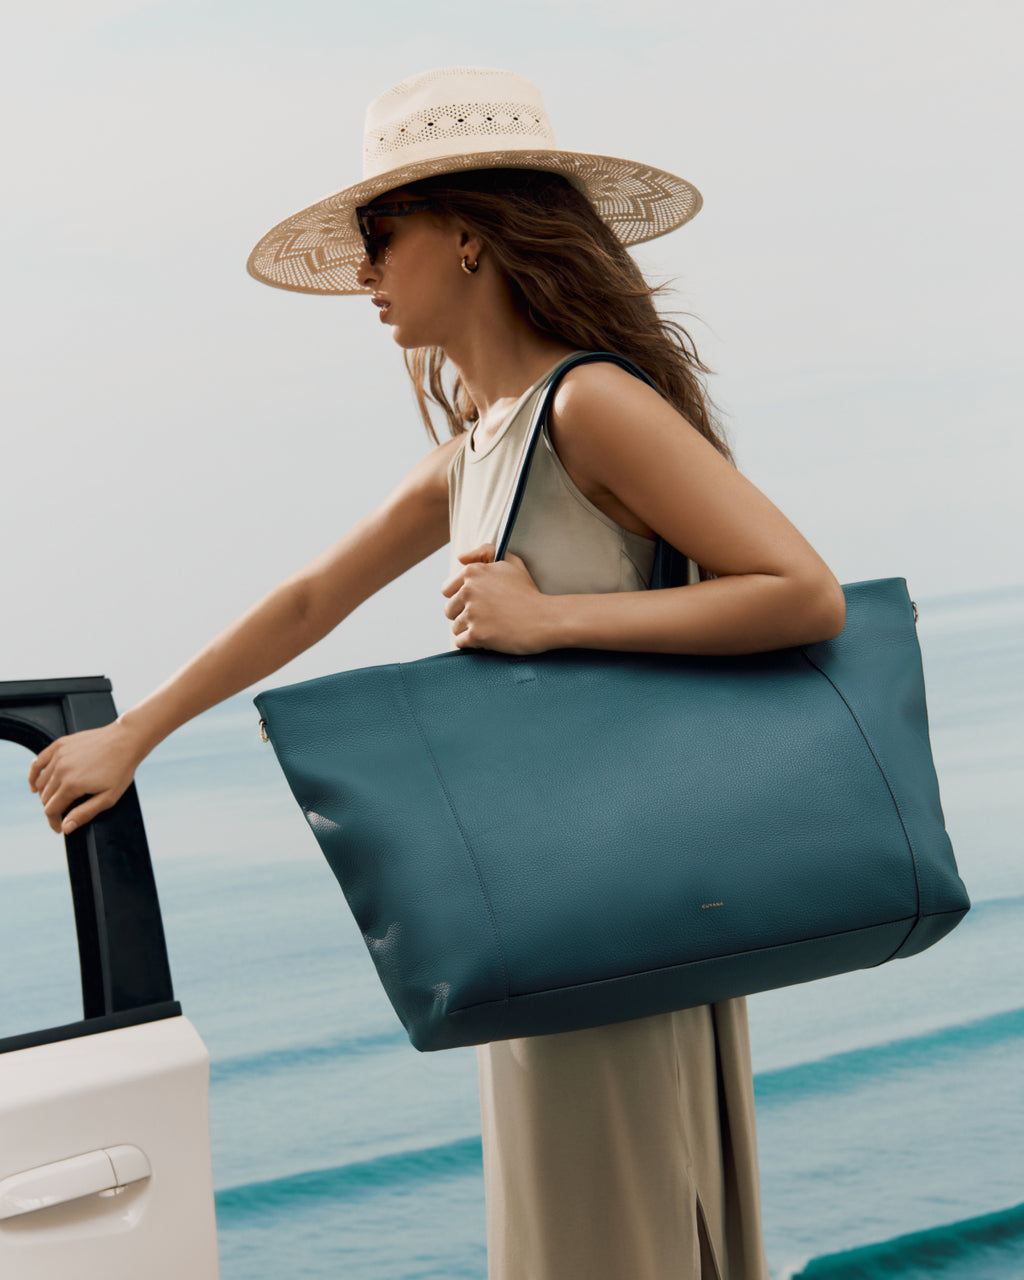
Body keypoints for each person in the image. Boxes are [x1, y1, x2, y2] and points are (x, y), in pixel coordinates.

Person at [29, 67, 845, 1279]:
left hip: (612, 895)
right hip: (551, 896)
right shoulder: (483, 441)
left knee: (607, 1236)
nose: (364, 270)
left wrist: (550, 623)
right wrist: (135, 730)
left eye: (379, 235)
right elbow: (308, 597)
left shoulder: (592, 404)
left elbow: (802, 592)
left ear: (467, 233)